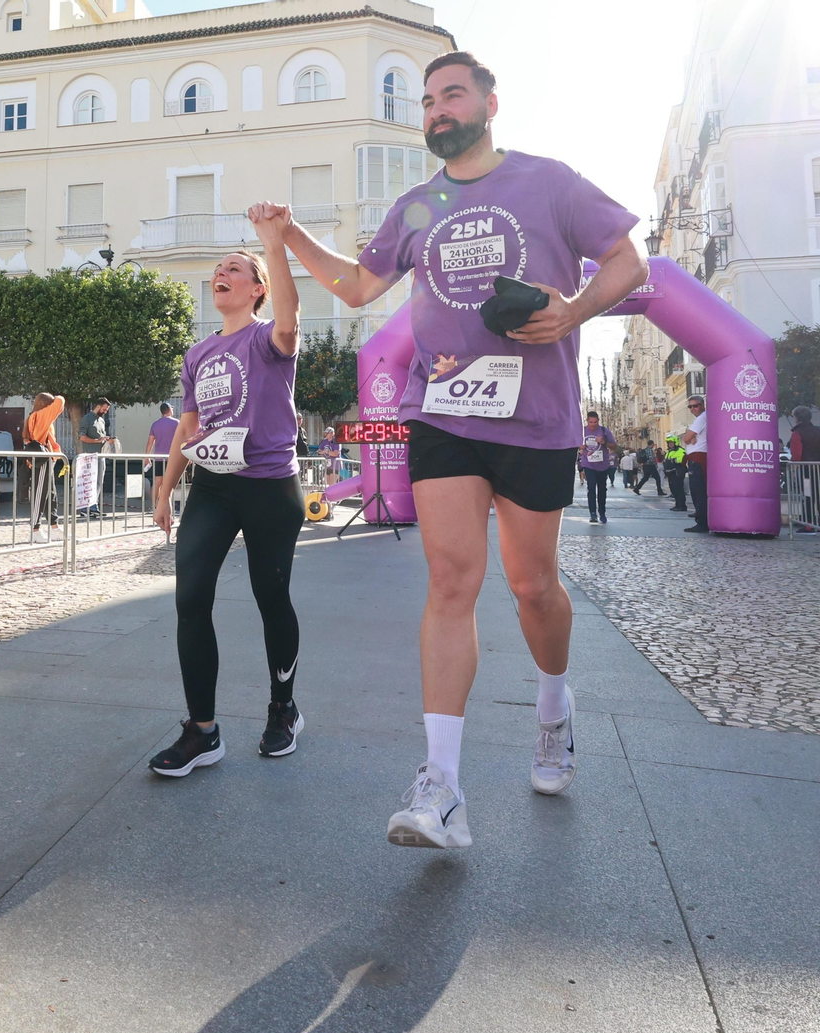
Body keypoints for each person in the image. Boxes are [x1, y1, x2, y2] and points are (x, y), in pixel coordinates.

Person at [270, 49, 649, 847]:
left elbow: (630, 259)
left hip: (537, 414)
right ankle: (441, 785)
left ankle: (553, 705)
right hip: (441, 411)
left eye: (452, 95)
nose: (437, 110)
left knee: (532, 584)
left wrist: (574, 311)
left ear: (489, 103)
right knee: (450, 579)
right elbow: (359, 286)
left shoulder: (550, 183)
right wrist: (292, 233)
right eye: (428, 101)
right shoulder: (416, 205)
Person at [148, 230, 307, 776]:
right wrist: (166, 488)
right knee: (190, 599)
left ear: (258, 288)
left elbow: (289, 321)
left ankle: (283, 708)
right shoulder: (198, 353)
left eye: (236, 267)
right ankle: (203, 731)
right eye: (219, 267)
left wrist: (274, 245)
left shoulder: (268, 339)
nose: (223, 272)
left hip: (269, 485)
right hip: (213, 486)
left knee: (271, 598)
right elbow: (189, 427)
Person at [24, 392, 66, 537]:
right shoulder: (40, 415)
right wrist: (56, 398)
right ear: (45, 405)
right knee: (40, 493)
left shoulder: (36, 415)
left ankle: (54, 527)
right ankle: (35, 530)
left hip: (47, 458)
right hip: (42, 459)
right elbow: (60, 402)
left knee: (50, 495)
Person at [78, 397, 114, 518]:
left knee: (98, 482)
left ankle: (93, 507)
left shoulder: (102, 421)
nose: (105, 411)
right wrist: (97, 440)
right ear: (98, 406)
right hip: (89, 455)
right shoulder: (87, 419)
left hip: (100, 455)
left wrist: (108, 440)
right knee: (89, 482)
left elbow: (101, 438)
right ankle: (86, 508)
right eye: (104, 409)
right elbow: (82, 437)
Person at [578, 411, 616, 524]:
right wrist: (581, 446)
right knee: (591, 488)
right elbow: (575, 443)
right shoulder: (583, 431)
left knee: (602, 490)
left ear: (598, 421)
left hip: (603, 465)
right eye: (591, 422)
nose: (593, 424)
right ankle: (593, 514)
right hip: (588, 464)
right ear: (587, 421)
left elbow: (614, 445)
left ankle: (602, 512)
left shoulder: (604, 431)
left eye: (595, 422)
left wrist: (603, 442)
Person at [681, 394, 709, 532]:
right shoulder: (703, 418)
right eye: (690, 406)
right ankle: (701, 515)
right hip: (697, 457)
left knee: (698, 490)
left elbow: (686, 438)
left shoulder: (701, 418)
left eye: (695, 405)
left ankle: (702, 521)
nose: (693, 409)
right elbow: (689, 438)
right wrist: (691, 438)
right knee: (699, 489)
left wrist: (690, 438)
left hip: (698, 458)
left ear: (702, 405)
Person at [144, 402, 180, 504]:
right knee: (169, 483)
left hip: (158, 458)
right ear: (169, 410)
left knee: (157, 482)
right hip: (172, 458)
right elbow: (182, 439)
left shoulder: (155, 424)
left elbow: (150, 441)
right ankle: (167, 505)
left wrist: (147, 456)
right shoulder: (177, 423)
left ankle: (154, 506)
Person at [662, 435, 689, 511]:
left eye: (671, 443)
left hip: (677, 472)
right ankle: (677, 504)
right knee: (673, 490)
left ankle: (682, 506)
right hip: (670, 473)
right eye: (669, 443)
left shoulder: (680, 450)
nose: (670, 444)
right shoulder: (669, 452)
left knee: (679, 489)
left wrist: (674, 461)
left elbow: (682, 459)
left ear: (675, 443)